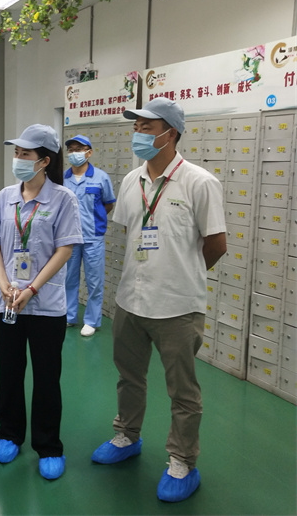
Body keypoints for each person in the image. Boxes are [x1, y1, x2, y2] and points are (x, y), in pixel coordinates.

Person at [90, 97, 227, 503]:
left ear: (171, 133)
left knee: (182, 390)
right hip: (131, 300)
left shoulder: (200, 182)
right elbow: (132, 233)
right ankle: (127, 435)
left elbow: (216, 244)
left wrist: (182, 274)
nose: (138, 134)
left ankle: (182, 459)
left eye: (146, 127)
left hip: (178, 306)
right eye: (136, 127)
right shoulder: (132, 181)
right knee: (129, 376)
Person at [0, 124, 83, 480]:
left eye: (25, 154)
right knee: (10, 370)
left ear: (44, 161)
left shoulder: (63, 199)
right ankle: (9, 433)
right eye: (16, 153)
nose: (18, 159)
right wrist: (4, 283)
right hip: (7, 301)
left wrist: (32, 289)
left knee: (46, 375)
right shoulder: (5, 197)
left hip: (45, 304)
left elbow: (64, 249)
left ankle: (49, 445)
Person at [63, 134, 116, 337]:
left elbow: (108, 204)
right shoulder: (63, 179)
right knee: (69, 278)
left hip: (93, 238)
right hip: (69, 238)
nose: (74, 153)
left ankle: (91, 321)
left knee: (94, 281)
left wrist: (95, 220)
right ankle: (69, 316)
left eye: (78, 149)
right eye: (71, 150)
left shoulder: (101, 177)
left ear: (89, 152)